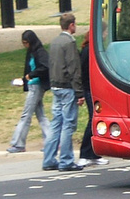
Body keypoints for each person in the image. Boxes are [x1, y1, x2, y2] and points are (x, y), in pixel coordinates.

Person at [42, 13, 85, 172]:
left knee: (56, 123)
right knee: (68, 124)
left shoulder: (55, 42)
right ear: (71, 25)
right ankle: (66, 160)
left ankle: (49, 159)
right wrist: (79, 92)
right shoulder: (69, 43)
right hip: (67, 87)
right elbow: (74, 68)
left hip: (55, 85)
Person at [7, 30, 51, 153]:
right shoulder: (32, 51)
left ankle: (18, 143)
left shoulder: (40, 52)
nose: (25, 45)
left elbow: (44, 67)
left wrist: (30, 76)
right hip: (33, 84)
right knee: (41, 115)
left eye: (26, 43)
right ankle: (51, 140)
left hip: (36, 85)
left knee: (26, 115)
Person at [77, 31, 109, 167]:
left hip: (92, 89)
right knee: (93, 120)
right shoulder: (88, 51)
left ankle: (93, 154)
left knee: (95, 120)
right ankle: (85, 153)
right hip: (90, 89)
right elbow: (83, 72)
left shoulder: (88, 50)